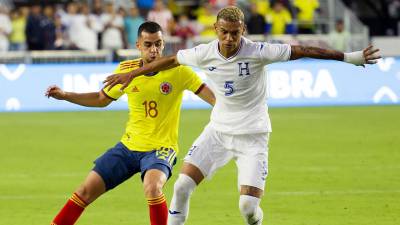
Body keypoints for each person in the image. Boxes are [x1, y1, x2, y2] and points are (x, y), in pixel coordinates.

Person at [103, 6, 381, 225]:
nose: (229, 39)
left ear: (243, 30)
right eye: (224, 32)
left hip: (253, 136)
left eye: (234, 33)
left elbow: (304, 50)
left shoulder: (259, 52)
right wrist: (132, 73)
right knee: (182, 186)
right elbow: (170, 60)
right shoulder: (203, 53)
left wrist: (349, 57)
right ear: (215, 29)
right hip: (218, 133)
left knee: (247, 208)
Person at [46, 21, 215, 225]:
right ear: (138, 45)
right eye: (148, 44)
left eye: (158, 44)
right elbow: (101, 99)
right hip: (128, 147)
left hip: (161, 149)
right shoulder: (126, 70)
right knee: (84, 191)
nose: (154, 50)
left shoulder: (179, 71)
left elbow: (213, 99)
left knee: (153, 188)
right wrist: (66, 95)